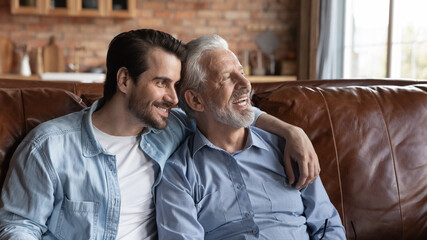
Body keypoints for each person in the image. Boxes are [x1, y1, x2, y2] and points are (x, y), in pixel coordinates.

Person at [0, 29, 319, 239]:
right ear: (125, 80)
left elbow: (228, 109)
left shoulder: (171, 128)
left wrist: (292, 131)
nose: (173, 98)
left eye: (176, 85)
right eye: (161, 83)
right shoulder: (49, 147)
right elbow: (18, 226)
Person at [155, 34, 346, 239]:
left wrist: (293, 131)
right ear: (195, 100)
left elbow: (329, 227)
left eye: (242, 72)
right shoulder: (179, 175)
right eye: (227, 77)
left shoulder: (287, 149)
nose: (245, 83)